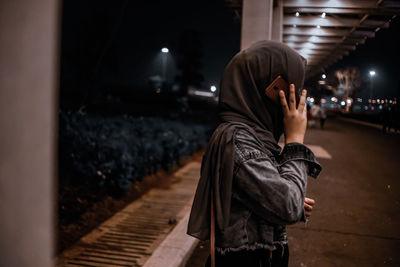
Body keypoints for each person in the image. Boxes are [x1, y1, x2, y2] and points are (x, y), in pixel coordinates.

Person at [187, 41, 322, 267]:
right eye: (289, 90)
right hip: (248, 260)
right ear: (271, 90)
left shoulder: (249, 135)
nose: (295, 99)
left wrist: (287, 191)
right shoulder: (239, 139)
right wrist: (296, 141)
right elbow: (288, 206)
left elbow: (278, 199)